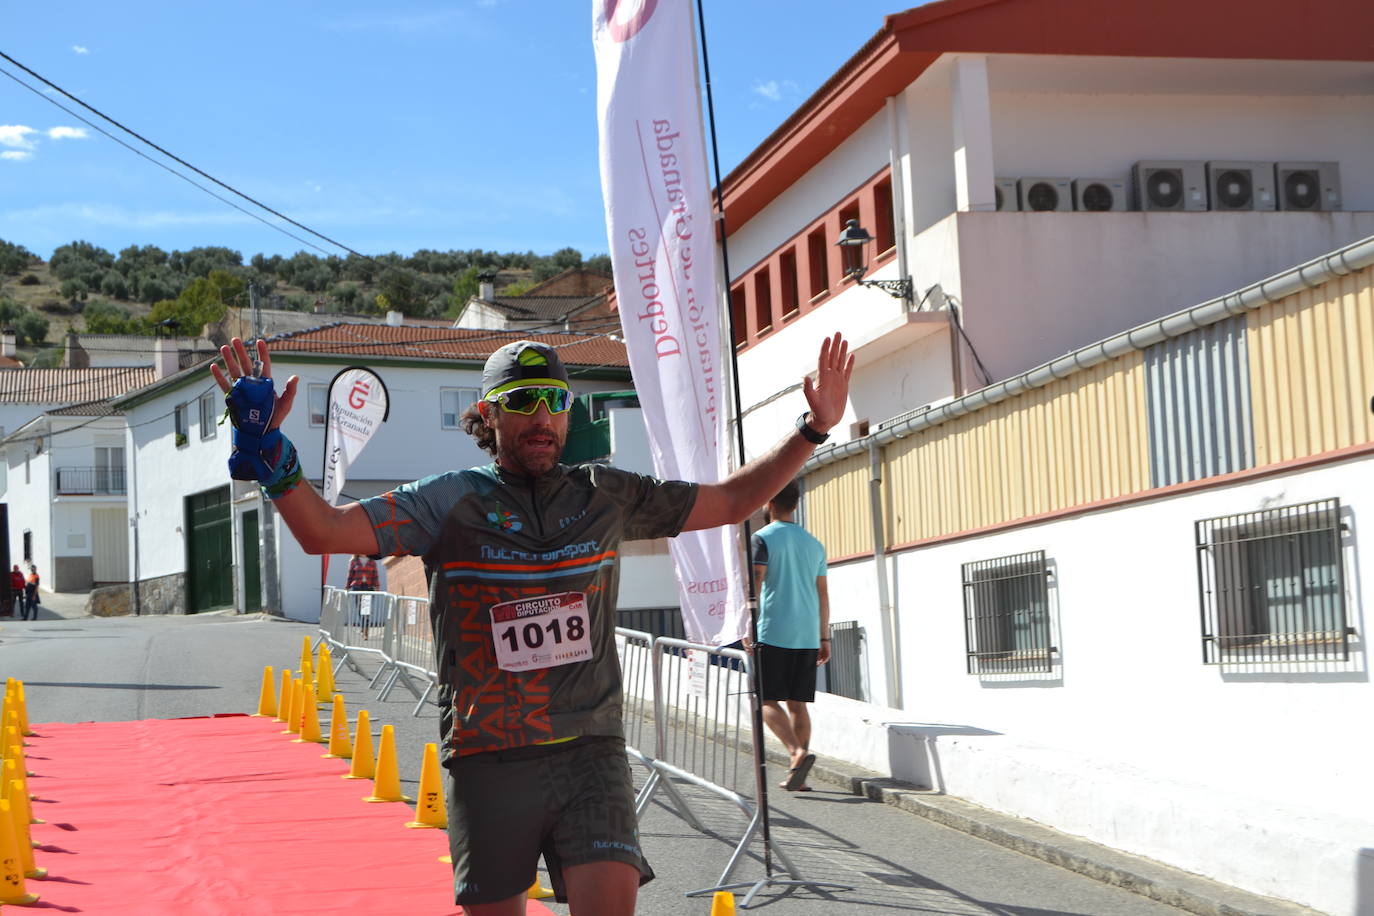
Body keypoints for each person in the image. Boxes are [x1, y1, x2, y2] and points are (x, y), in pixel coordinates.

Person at [211, 331, 852, 916]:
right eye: (521, 400)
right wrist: (272, 455)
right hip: (490, 760)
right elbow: (324, 530)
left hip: (590, 752)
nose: (541, 415)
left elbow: (734, 501)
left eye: (553, 398)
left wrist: (812, 429)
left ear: (568, 410)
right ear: (488, 413)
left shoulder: (606, 494)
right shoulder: (448, 501)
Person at [749, 480, 829, 793]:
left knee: (766, 698)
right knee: (799, 703)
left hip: (774, 630)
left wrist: (747, 627)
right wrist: (825, 637)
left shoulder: (762, 538)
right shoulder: (814, 543)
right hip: (808, 633)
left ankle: (797, 751)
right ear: (795, 504)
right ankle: (799, 773)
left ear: (769, 503)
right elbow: (823, 593)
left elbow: (756, 583)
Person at [345, 553, 380, 639]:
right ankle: (363, 627)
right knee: (360, 610)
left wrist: (377, 587)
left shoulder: (372, 562)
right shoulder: (354, 561)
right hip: (357, 587)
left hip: (368, 587)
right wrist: (347, 586)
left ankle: (366, 631)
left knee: (366, 610)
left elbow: (375, 576)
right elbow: (350, 576)